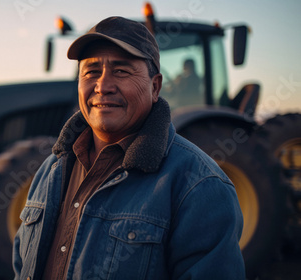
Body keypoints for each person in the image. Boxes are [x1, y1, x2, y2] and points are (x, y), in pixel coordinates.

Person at [13, 16, 245, 279]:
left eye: (121, 71)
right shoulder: (51, 169)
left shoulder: (199, 185)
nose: (102, 86)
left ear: (155, 86)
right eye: (90, 72)